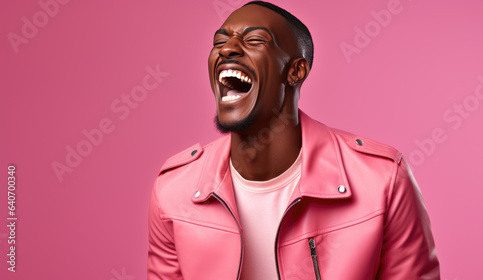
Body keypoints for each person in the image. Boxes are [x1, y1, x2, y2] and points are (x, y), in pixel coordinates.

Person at [147, 1, 440, 279]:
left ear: (296, 71)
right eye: (219, 42)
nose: (228, 49)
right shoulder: (174, 190)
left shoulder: (382, 180)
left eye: (254, 40)